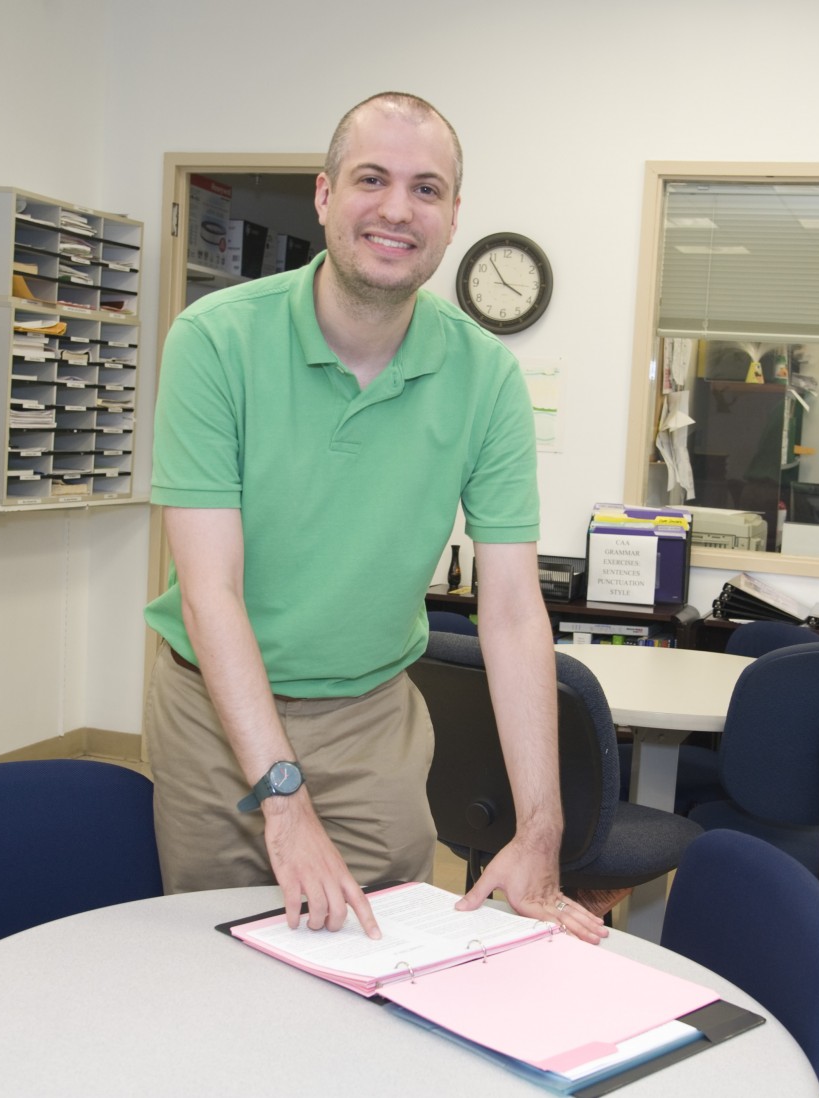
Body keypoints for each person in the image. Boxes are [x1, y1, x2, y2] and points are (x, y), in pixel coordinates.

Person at [143, 91, 606, 946]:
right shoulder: (215, 341)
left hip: (371, 718)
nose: (397, 209)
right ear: (324, 195)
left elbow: (510, 611)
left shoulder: (486, 377)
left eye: (426, 189)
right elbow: (212, 595)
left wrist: (540, 829)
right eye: (371, 179)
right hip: (214, 713)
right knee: (215, 964)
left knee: (384, 962)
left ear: (453, 215)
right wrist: (283, 805)